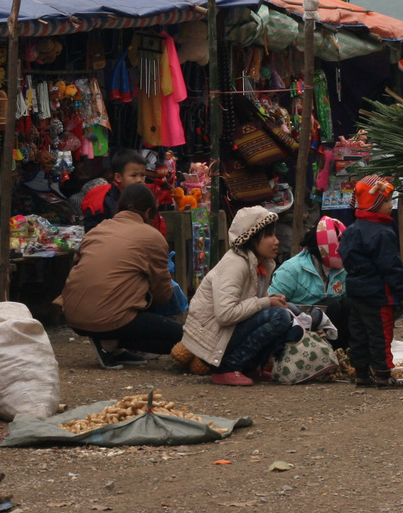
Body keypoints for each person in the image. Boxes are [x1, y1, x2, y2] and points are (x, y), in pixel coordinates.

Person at [57, 183, 181, 368]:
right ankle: (112, 342)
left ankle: (109, 342)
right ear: (148, 212)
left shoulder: (98, 230)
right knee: (184, 340)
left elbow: (78, 268)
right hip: (111, 318)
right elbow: (163, 293)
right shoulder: (151, 236)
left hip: (74, 317)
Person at [180, 206, 294, 386]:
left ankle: (248, 367)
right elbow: (225, 314)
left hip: (230, 334)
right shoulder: (235, 264)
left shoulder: (262, 264)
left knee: (288, 309)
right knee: (279, 316)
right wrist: (265, 302)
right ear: (252, 237)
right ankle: (227, 368)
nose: (276, 241)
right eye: (270, 236)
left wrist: (271, 301)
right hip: (214, 342)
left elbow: (250, 304)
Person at [339, 175, 403, 389]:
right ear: (374, 204)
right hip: (378, 295)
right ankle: (383, 374)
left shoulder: (351, 231)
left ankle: (362, 373)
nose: (390, 206)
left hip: (355, 293)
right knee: (380, 334)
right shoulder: (382, 233)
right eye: (387, 201)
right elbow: (391, 267)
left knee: (359, 335)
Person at [267, 216, 348, 329]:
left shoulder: (343, 270)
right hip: (299, 325)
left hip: (332, 328)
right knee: (332, 305)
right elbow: (272, 305)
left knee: (349, 303)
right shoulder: (291, 269)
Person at [81, 151, 148, 231]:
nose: (139, 180)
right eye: (134, 175)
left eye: (143, 175)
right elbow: (92, 228)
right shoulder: (106, 200)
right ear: (118, 177)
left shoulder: (143, 198)